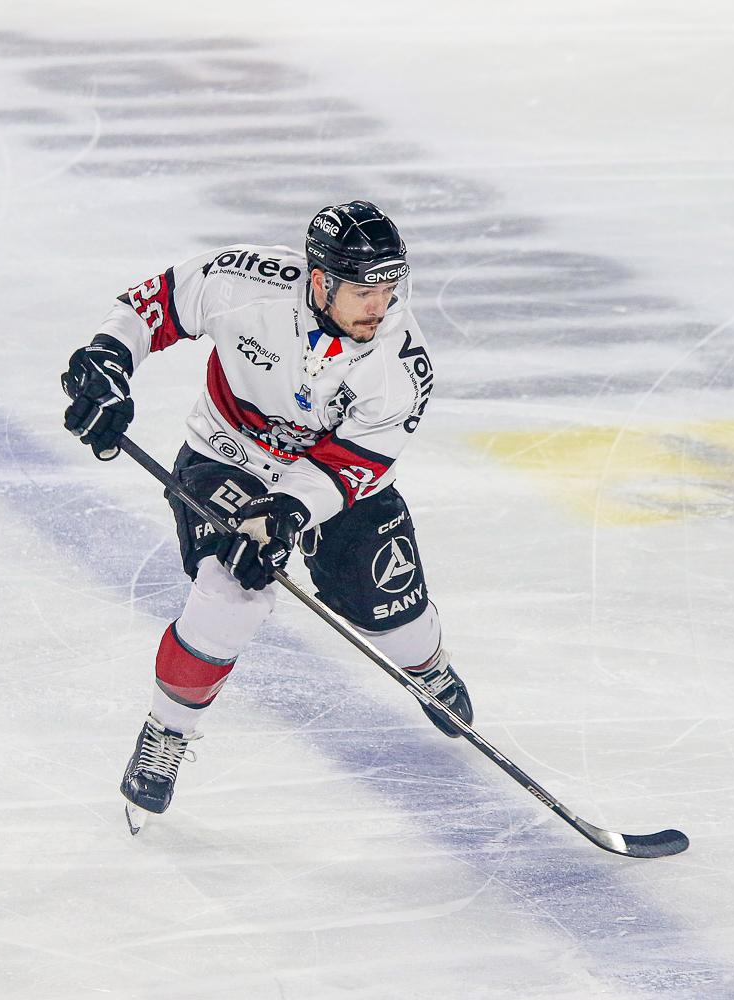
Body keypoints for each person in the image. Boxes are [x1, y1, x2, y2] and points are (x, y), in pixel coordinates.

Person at [59, 200, 472, 829]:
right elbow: (157, 303)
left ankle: (429, 667)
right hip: (228, 455)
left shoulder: (401, 364)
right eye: (364, 288)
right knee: (231, 587)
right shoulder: (244, 282)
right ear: (319, 279)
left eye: (390, 285)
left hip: (330, 483)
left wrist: (287, 514)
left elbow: (350, 467)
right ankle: (168, 730)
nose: (380, 304)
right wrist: (108, 359)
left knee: (391, 607)